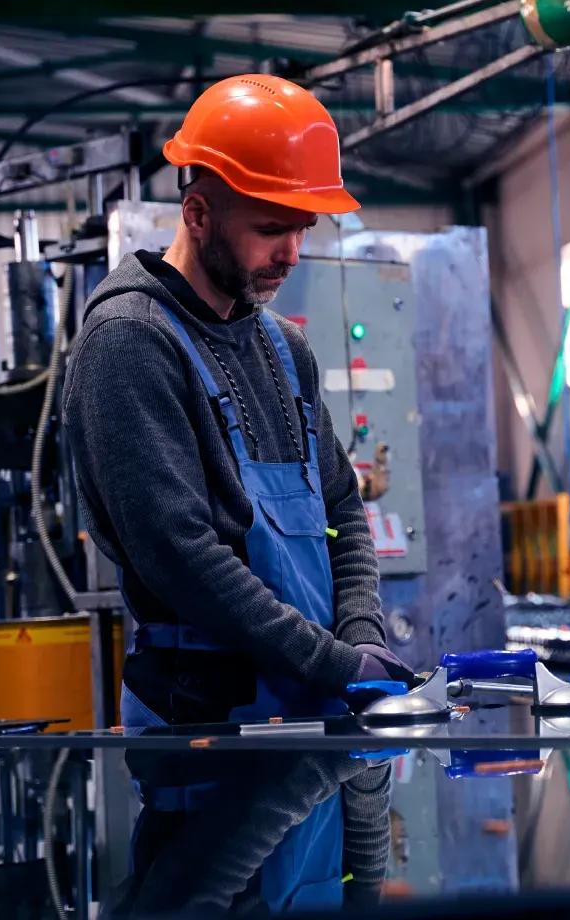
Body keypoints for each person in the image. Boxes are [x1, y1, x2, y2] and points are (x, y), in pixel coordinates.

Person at [63, 73, 414, 732]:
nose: (291, 254)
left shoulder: (284, 348)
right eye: (269, 228)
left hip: (315, 702)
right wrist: (336, 666)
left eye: (303, 229)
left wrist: (362, 636)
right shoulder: (130, 340)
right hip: (208, 725)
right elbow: (180, 555)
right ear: (197, 214)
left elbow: (341, 503)